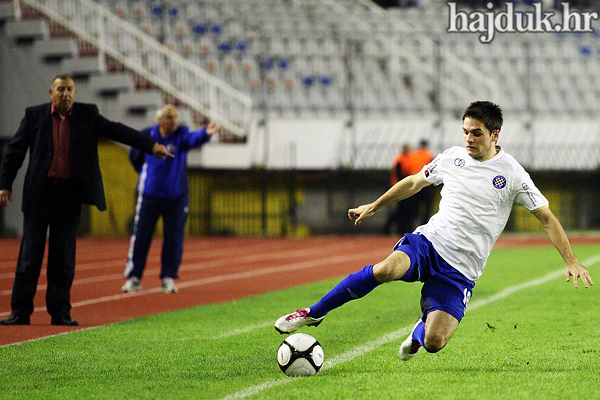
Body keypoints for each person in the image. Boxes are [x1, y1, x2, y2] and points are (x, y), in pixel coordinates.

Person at [274, 101, 593, 361]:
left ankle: (420, 328)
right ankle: (313, 313)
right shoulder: (453, 157)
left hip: (462, 269)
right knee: (386, 269)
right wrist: (375, 205)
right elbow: (414, 182)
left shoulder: (513, 174)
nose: (469, 138)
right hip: (429, 243)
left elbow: (547, 218)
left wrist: (571, 260)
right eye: (466, 131)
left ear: (495, 134)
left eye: (477, 133)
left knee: (435, 341)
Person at [0, 74, 173, 326]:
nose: (66, 94)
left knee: (63, 259)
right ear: (51, 93)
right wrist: (4, 184)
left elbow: (118, 130)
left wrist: (150, 145)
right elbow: (14, 151)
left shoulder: (87, 115)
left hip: (68, 196)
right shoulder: (34, 115)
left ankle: (60, 312)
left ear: (75, 93)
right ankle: (20, 311)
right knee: (29, 257)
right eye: (61, 89)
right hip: (39, 195)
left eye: (70, 90)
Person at [121, 105, 220, 294]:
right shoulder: (147, 136)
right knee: (141, 237)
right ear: (160, 120)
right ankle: (134, 277)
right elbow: (135, 157)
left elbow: (193, 138)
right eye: (169, 117)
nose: (173, 120)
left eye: (175, 117)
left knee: (174, 238)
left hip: (176, 197)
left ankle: (168, 277)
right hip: (149, 195)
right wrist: (147, 174)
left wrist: (206, 133)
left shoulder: (181, 135)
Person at [383, 144, 415, 235]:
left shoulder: (408, 158)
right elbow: (399, 173)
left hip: (404, 187)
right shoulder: (400, 159)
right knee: (401, 209)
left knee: (403, 209)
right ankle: (390, 227)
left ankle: (399, 228)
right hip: (399, 187)